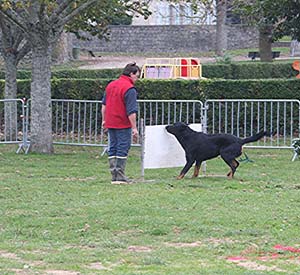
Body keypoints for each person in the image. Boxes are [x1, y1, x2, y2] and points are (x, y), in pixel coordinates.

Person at [101, 63, 140, 184]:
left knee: (112, 147)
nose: (137, 79)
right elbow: (131, 111)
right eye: (137, 76)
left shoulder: (111, 85)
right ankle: (120, 176)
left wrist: (104, 120)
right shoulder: (129, 89)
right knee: (123, 148)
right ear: (131, 74)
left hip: (110, 122)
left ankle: (114, 175)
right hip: (122, 123)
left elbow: (104, 105)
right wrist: (134, 127)